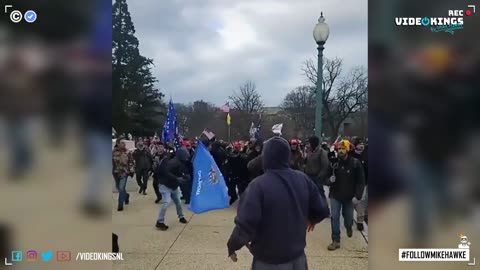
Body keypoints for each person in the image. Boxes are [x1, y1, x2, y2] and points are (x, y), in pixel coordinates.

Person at [227, 137, 330, 269]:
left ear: (266, 157)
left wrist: (232, 245)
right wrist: (312, 219)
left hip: (268, 261)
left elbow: (246, 223)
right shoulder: (303, 179)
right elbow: (322, 210)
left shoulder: (258, 186)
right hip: (298, 259)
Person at [326, 140, 365, 251]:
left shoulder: (355, 163)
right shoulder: (334, 163)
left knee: (348, 219)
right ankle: (335, 240)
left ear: (347, 149)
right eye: (339, 149)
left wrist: (357, 196)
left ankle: (349, 227)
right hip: (335, 195)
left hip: (349, 197)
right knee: (334, 217)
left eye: (343, 148)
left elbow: (361, 181)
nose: (341, 151)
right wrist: (329, 180)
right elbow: (325, 177)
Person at [155, 148, 190, 231]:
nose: (186, 158)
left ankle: (181, 217)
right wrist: (177, 178)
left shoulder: (181, 163)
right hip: (165, 186)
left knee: (178, 202)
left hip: (173, 186)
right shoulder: (173, 162)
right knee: (166, 202)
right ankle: (159, 222)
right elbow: (166, 172)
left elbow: (183, 172)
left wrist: (186, 176)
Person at [112, 137, 134, 211]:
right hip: (115, 173)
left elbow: (131, 162)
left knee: (121, 188)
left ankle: (120, 205)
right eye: (122, 142)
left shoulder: (128, 152)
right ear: (118, 144)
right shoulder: (113, 152)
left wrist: (131, 170)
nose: (124, 144)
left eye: (124, 143)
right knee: (119, 188)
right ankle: (126, 196)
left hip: (124, 173)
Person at [350, 141, 368, 229]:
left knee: (360, 201)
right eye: (359, 144)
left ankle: (360, 220)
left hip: (363, 183)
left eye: (362, 144)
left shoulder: (367, 155)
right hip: (351, 182)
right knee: (351, 200)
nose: (361, 146)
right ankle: (349, 217)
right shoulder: (351, 155)